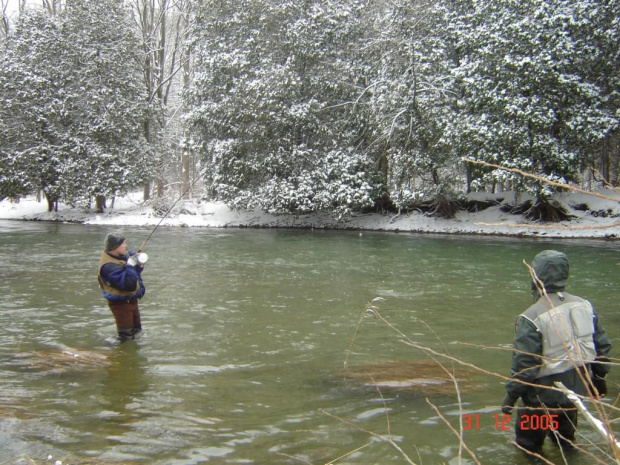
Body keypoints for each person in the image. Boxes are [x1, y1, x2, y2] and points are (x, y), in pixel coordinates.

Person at [501, 250, 612, 453]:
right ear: (565, 273)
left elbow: (525, 366)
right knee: (566, 442)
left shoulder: (531, 317)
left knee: (528, 446)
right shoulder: (585, 306)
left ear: (535, 276)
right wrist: (599, 376)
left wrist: (510, 397)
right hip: (574, 393)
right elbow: (602, 347)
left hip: (540, 399)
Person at [98, 232, 146, 342]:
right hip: (121, 304)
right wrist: (130, 265)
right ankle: (121, 355)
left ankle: (132, 356)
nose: (126, 246)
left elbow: (135, 274)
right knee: (126, 336)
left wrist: (138, 263)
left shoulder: (122, 255)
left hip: (131, 300)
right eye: (123, 244)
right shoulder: (108, 266)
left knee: (137, 331)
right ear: (115, 247)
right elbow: (129, 285)